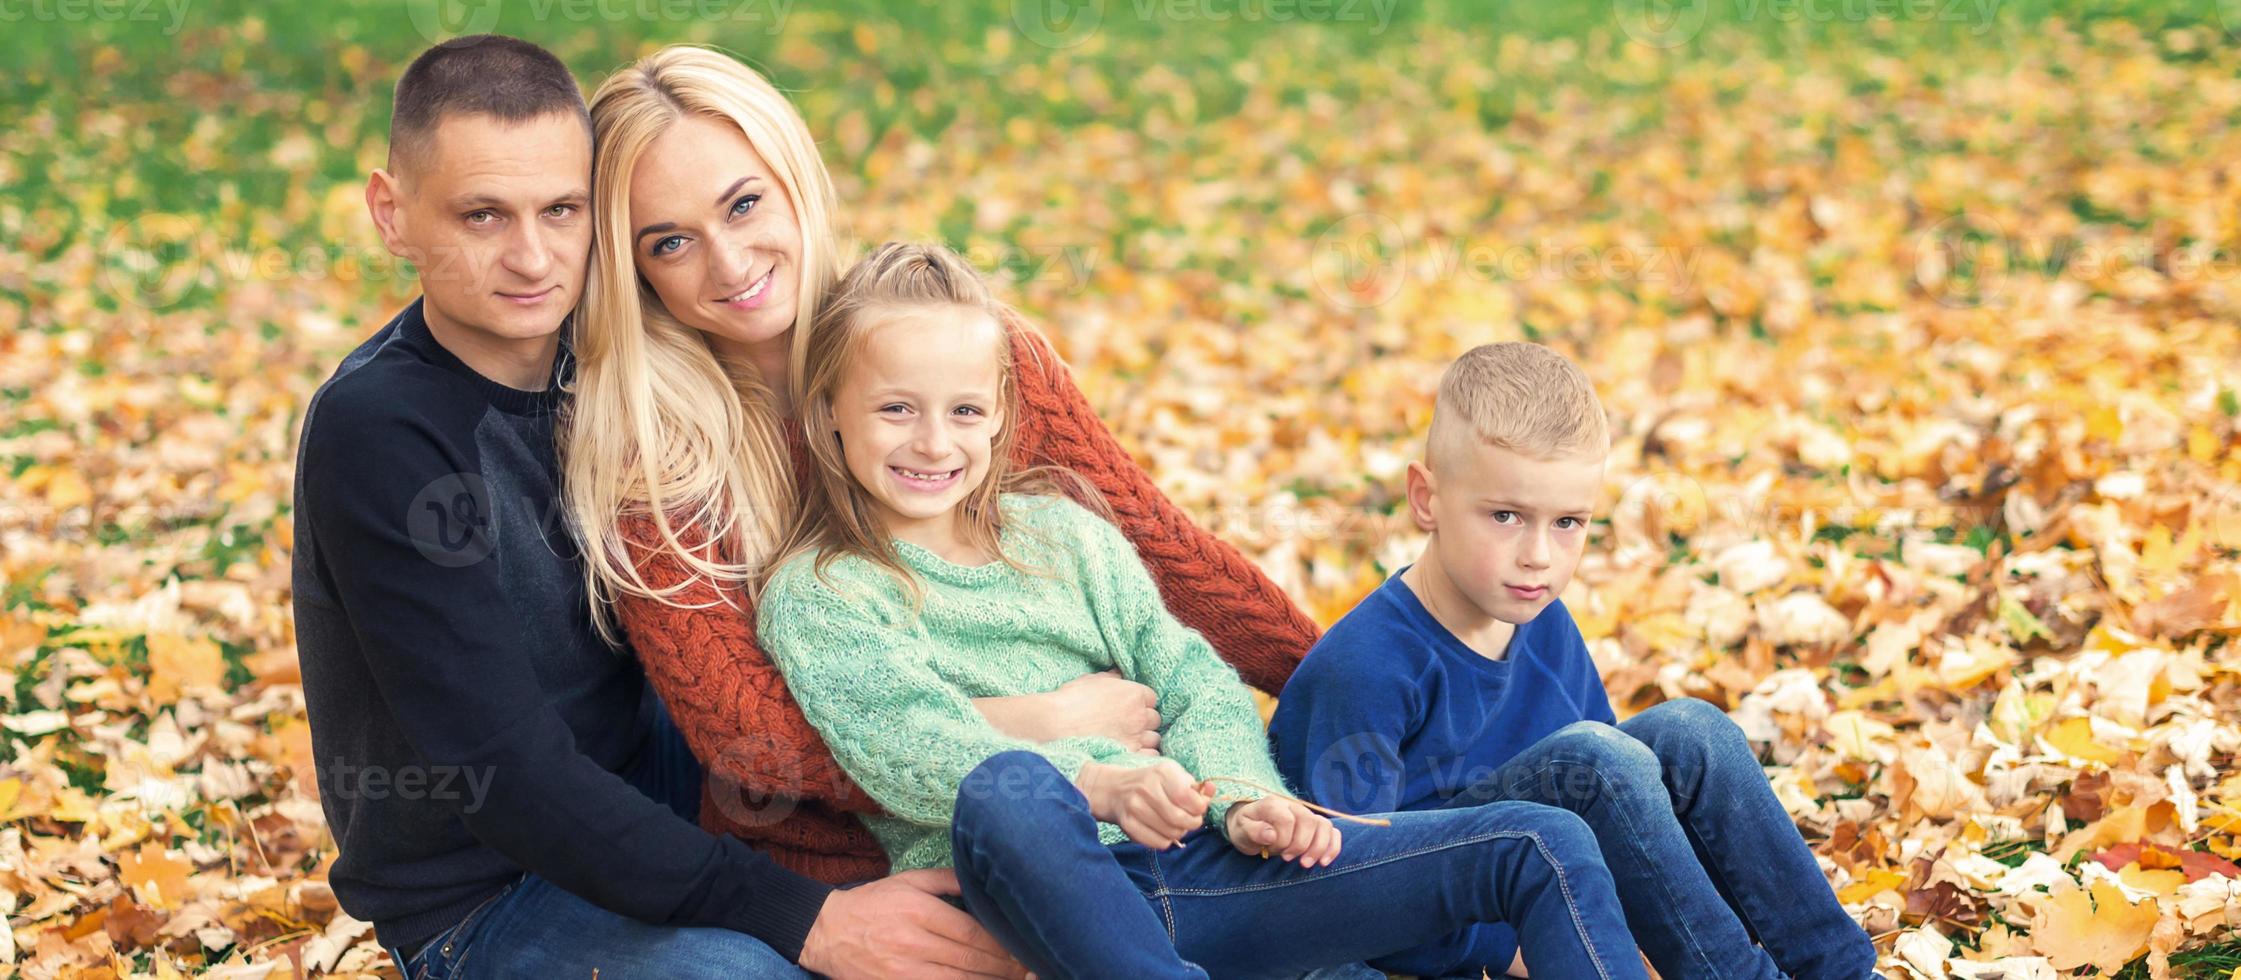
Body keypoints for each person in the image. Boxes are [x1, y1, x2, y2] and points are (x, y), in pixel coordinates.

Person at [293, 35, 1025, 979]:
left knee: (1005, 897)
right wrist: (810, 919)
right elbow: (511, 780)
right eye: (482, 216)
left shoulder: (625, 367)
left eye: (561, 211)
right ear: (392, 215)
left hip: (686, 813)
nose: (531, 258)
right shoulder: (383, 434)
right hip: (491, 893)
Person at [752, 242, 1653, 980]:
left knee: (1540, 840)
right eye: (895, 409)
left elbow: (1189, 678)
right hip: (1036, 901)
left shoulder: (1063, 539)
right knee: (1007, 787)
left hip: (1201, 867)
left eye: (962, 410)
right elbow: (912, 747)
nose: (933, 441)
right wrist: (1099, 779)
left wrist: (1242, 797)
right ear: (830, 410)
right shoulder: (826, 591)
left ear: (998, 418)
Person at [1269, 342, 1882, 979]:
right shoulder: (1366, 667)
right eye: (1506, 515)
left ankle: (1840, 971)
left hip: (1563, 896)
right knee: (1598, 756)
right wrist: (1504, 952)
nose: (1539, 555)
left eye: (1568, 522)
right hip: (1450, 927)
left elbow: (1624, 814)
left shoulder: (1541, 618)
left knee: (1693, 733)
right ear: (1426, 498)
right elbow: (1333, 893)